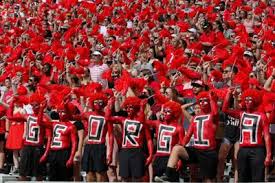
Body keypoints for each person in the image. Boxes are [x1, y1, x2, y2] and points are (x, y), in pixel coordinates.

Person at [155, 91, 219, 182]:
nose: (202, 103)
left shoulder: (212, 116)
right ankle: (168, 175)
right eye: (200, 101)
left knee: (208, 179)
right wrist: (181, 150)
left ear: (209, 101)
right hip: (196, 150)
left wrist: (212, 99)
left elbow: (216, 113)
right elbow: (188, 135)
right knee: (176, 148)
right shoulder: (194, 118)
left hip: (208, 152)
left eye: (205, 101)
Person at [222, 88, 271, 182]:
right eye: (246, 99)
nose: (247, 102)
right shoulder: (241, 114)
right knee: (242, 179)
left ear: (255, 100)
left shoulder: (262, 116)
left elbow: (267, 136)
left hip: (258, 150)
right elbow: (225, 109)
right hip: (243, 150)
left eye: (250, 99)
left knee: (257, 179)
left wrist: (268, 155)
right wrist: (229, 94)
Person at [106, 96, 153, 182]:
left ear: (135, 108)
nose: (128, 109)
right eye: (126, 107)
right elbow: (108, 118)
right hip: (125, 151)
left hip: (137, 151)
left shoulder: (142, 122)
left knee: (137, 179)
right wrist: (109, 106)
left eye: (130, 107)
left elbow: (149, 139)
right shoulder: (123, 120)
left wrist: (150, 155)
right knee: (125, 178)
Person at [7, 94, 51, 181]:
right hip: (27, 147)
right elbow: (10, 117)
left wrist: (46, 153)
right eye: (33, 105)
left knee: (39, 175)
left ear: (41, 104)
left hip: (38, 147)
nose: (34, 107)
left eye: (36, 105)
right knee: (23, 174)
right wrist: (12, 102)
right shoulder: (28, 116)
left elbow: (49, 137)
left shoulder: (45, 118)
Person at [77, 93, 114, 182]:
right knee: (89, 173)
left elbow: (110, 135)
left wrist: (110, 152)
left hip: (99, 146)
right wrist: (66, 105)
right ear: (92, 103)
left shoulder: (106, 116)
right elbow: (73, 116)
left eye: (100, 102)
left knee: (100, 173)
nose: (98, 104)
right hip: (89, 146)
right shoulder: (88, 114)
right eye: (96, 102)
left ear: (104, 103)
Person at [37, 99, 77, 181]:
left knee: (64, 177)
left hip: (64, 153)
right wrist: (41, 109)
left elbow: (74, 143)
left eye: (63, 112)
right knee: (52, 176)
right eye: (59, 111)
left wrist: (71, 157)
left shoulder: (71, 126)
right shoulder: (54, 123)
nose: (61, 114)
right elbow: (40, 122)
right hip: (53, 152)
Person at [145, 101, 184, 179]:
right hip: (158, 158)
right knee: (157, 180)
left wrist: (180, 160)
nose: (165, 113)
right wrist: (143, 109)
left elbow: (182, 146)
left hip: (171, 159)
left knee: (170, 180)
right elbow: (143, 121)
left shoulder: (179, 128)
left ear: (174, 113)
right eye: (164, 111)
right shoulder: (158, 123)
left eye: (168, 111)